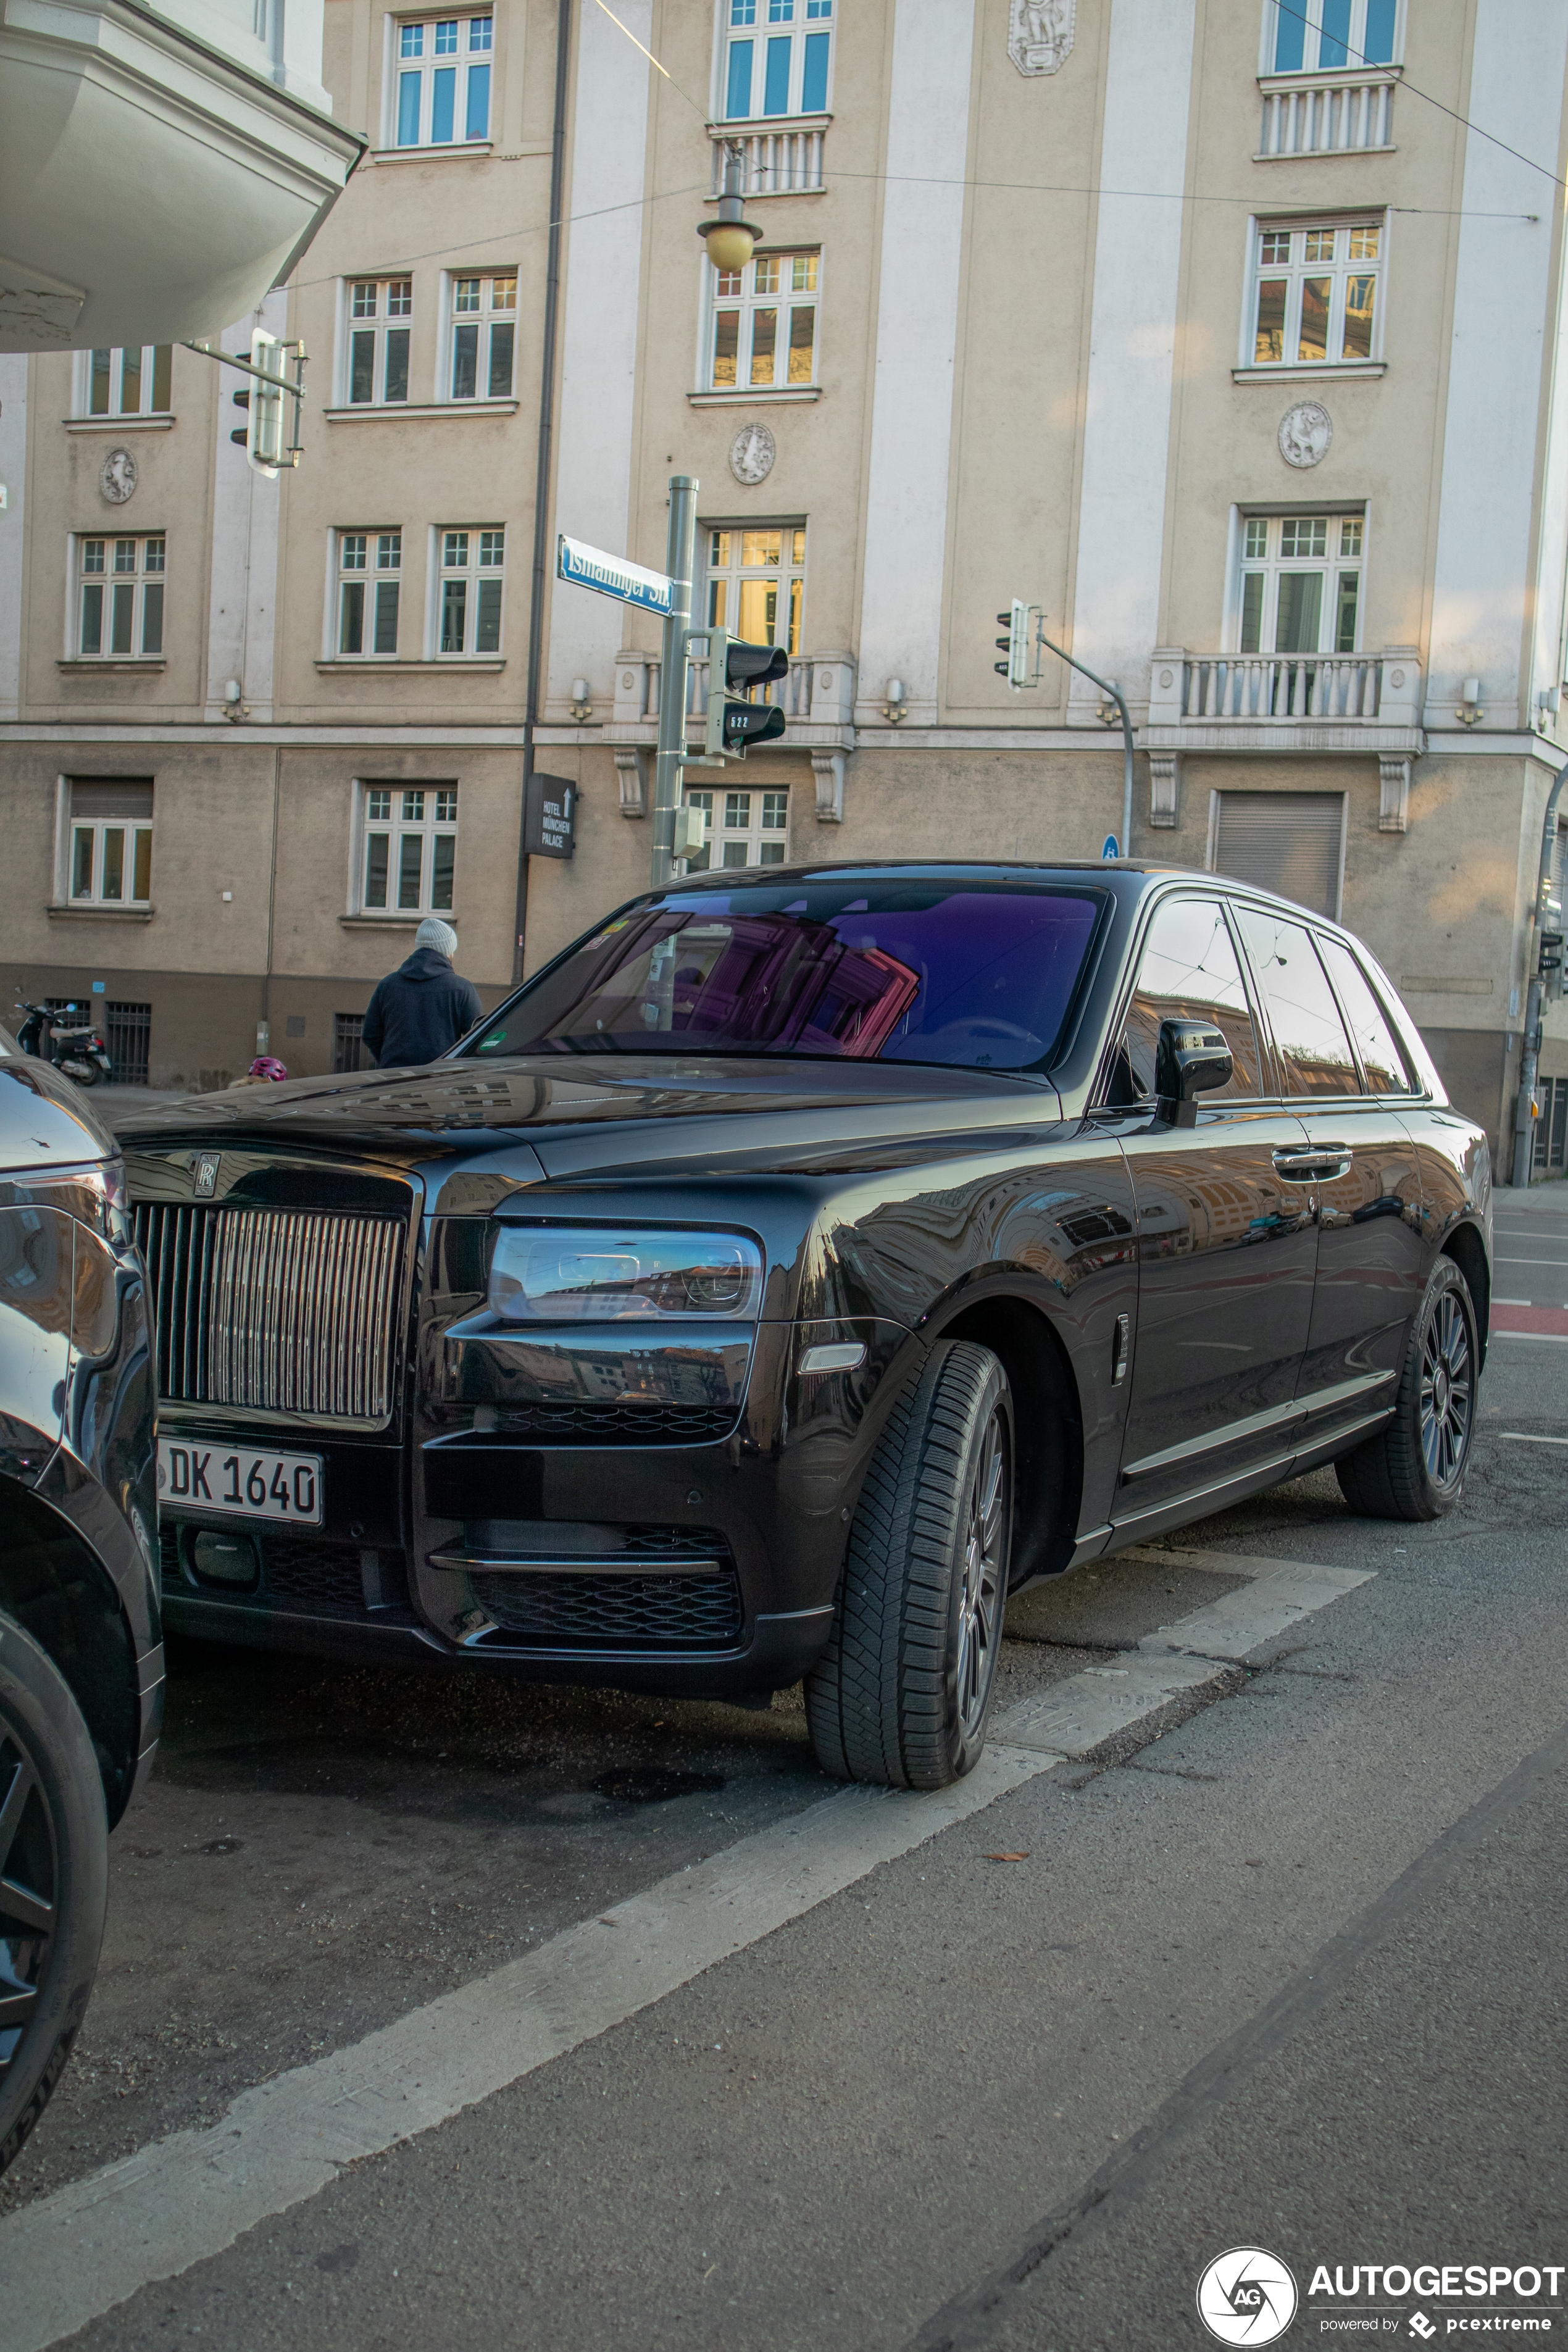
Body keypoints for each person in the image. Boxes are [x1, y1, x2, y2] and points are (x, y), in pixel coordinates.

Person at [361, 917, 483, 1070]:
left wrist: (389, 1061)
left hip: (393, 1079)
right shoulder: (462, 988)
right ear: (448, 951)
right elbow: (479, 1040)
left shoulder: (388, 984)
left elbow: (371, 1035)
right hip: (440, 1079)